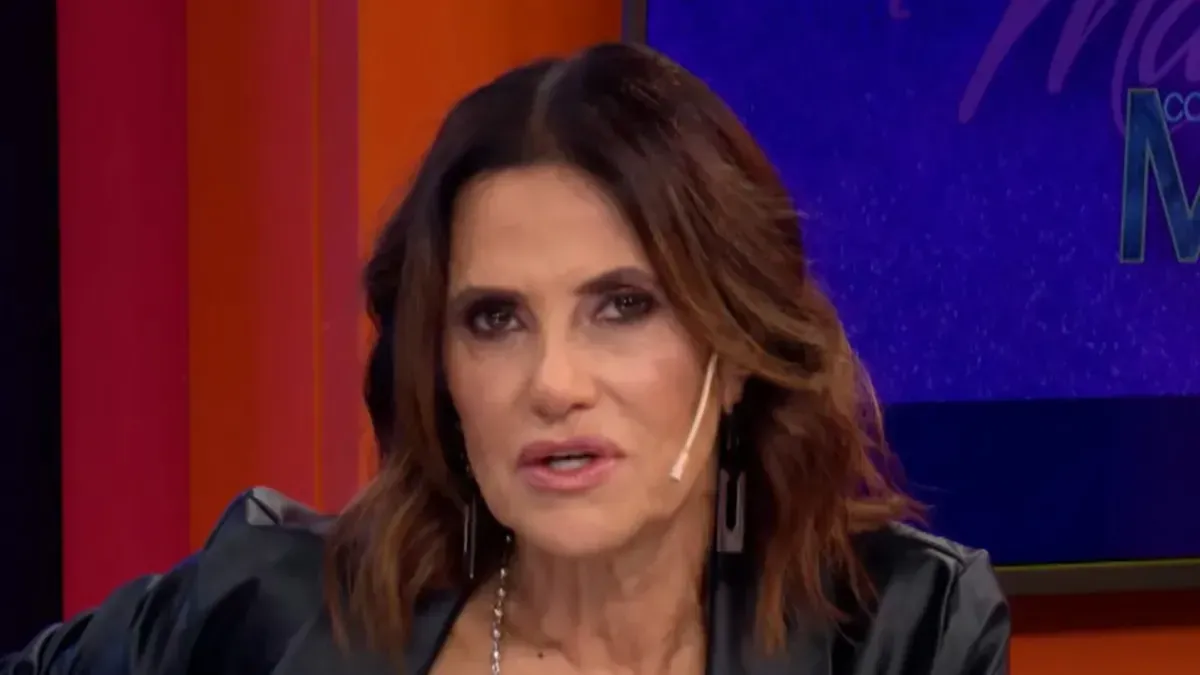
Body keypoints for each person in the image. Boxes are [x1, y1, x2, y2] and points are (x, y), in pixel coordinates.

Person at [1, 43, 1008, 675]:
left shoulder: (898, 635)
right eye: (494, 319)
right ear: (440, 371)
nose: (553, 383)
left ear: (736, 347)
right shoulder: (268, 612)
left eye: (623, 306)